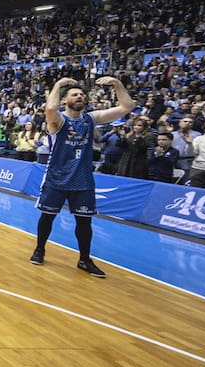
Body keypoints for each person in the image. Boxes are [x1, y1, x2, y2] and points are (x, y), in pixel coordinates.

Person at [31, 76, 136, 278]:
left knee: (84, 222)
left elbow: (127, 106)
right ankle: (40, 248)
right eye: (74, 94)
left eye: (81, 94)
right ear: (64, 100)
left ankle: (85, 259)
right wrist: (58, 85)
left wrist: (116, 84)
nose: (79, 96)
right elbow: (50, 108)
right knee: (47, 216)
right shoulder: (58, 121)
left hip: (83, 179)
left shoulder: (90, 119)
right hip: (57, 177)